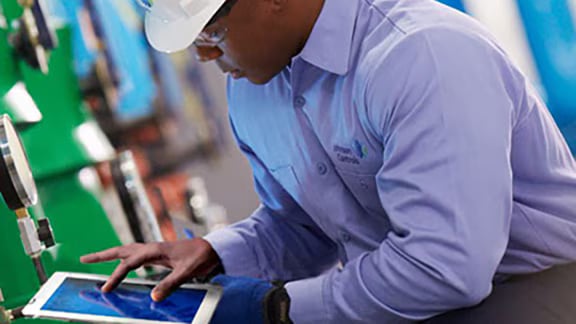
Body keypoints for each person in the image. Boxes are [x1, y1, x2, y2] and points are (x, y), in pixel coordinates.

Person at [81, 0, 576, 323]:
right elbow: (308, 227)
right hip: (421, 302)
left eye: (211, 30)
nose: (205, 56)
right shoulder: (256, 88)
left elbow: (444, 268)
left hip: (540, 293)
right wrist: (216, 253)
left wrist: (280, 308)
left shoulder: (422, 56)